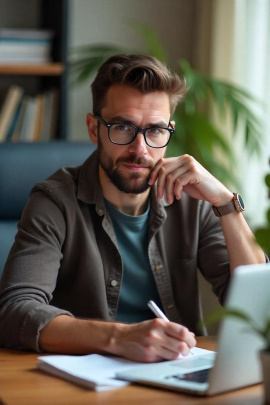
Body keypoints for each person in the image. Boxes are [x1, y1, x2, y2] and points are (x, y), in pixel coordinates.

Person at [0, 54, 266, 362]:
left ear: (169, 131)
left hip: (176, 374)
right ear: (93, 128)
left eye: (154, 130)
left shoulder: (194, 201)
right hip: (86, 382)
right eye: (123, 127)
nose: (139, 150)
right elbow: (15, 311)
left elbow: (257, 310)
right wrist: (119, 337)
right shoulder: (55, 201)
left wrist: (225, 203)